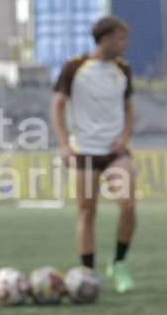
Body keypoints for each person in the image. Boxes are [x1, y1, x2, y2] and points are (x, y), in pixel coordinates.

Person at [50, 16, 136, 294]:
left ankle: (119, 263)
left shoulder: (123, 68)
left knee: (128, 205)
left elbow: (129, 108)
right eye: (122, 38)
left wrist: (124, 137)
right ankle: (88, 273)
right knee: (87, 212)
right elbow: (57, 106)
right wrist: (64, 144)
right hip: (84, 151)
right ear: (107, 39)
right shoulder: (74, 67)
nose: (126, 43)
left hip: (114, 153)